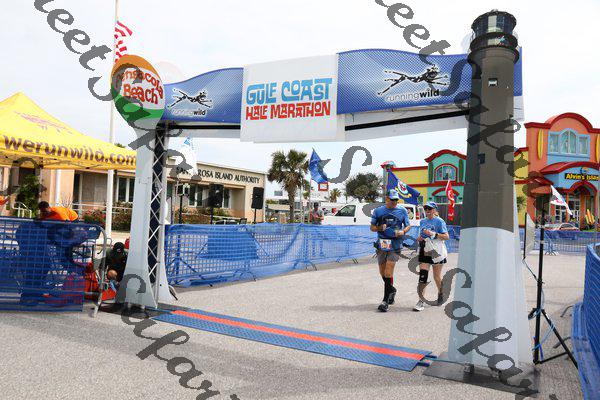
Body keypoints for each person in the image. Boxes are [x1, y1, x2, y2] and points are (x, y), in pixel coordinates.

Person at [370, 189, 412, 312]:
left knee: (388, 271)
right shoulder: (378, 211)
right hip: (382, 244)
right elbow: (372, 227)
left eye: (396, 200)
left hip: (395, 244)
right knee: (382, 272)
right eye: (392, 199)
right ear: (387, 198)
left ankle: (385, 301)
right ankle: (392, 290)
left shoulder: (402, 210)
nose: (394, 202)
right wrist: (379, 227)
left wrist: (403, 231)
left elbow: (408, 225)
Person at [413, 202, 450, 312]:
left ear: (434, 210)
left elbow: (446, 236)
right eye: (426, 208)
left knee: (436, 277)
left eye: (430, 208)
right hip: (425, 250)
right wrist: (419, 238)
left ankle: (441, 294)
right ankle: (421, 301)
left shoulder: (439, 221)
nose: (427, 210)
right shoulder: (422, 221)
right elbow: (420, 236)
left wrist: (433, 234)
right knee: (423, 276)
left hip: (436, 251)